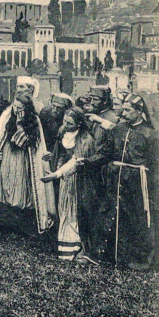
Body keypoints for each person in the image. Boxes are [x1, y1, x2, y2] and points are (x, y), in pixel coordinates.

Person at [80, 94, 158, 271]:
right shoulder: (118, 129)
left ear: (139, 112)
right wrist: (86, 162)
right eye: (123, 109)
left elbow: (155, 165)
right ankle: (100, 255)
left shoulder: (150, 134)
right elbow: (106, 153)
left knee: (133, 218)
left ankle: (135, 260)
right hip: (115, 179)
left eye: (128, 110)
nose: (124, 113)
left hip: (137, 182)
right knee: (107, 213)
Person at [40, 107, 99, 263]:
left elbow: (76, 161)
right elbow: (61, 153)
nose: (65, 124)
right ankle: (63, 245)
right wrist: (51, 156)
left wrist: (58, 173)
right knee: (62, 210)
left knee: (75, 212)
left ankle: (78, 248)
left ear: (79, 124)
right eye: (64, 121)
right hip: (63, 179)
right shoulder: (62, 132)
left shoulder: (86, 139)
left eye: (70, 123)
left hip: (78, 179)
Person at [0, 92, 55, 234]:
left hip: (23, 158)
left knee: (20, 188)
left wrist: (20, 125)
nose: (16, 111)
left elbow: (22, 142)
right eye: (14, 107)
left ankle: (21, 221)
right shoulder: (8, 116)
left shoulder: (33, 121)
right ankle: (7, 221)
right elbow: (2, 136)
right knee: (7, 184)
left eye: (20, 109)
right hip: (9, 155)